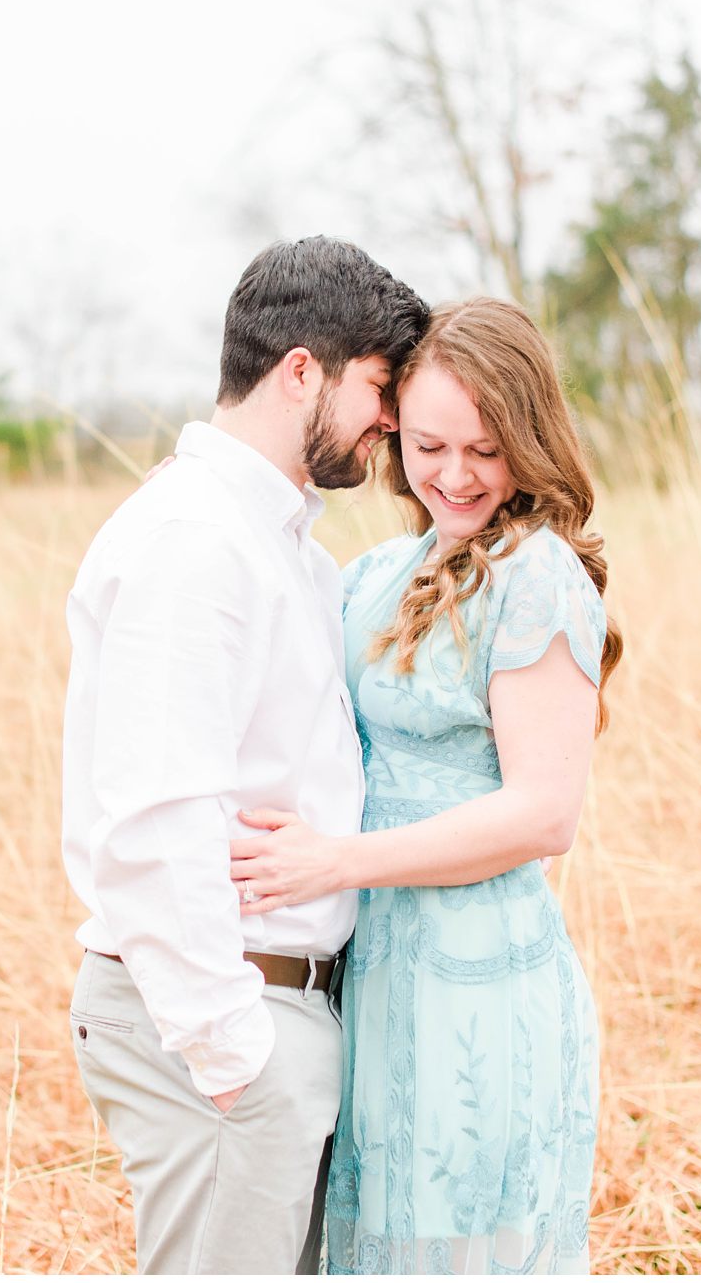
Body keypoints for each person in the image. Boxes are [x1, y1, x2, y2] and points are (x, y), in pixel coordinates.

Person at [226, 296, 623, 1274]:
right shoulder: (376, 575)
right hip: (379, 976)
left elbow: (544, 813)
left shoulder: (539, 577)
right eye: (429, 444)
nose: (453, 475)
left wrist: (333, 861)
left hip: (479, 982)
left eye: (484, 450)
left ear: (528, 442)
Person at [61, 236, 429, 1274]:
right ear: (300, 369)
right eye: (377, 386)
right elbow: (153, 817)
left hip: (273, 1010)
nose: (391, 420)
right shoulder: (195, 541)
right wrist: (232, 1056)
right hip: (225, 1020)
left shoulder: (284, 550)